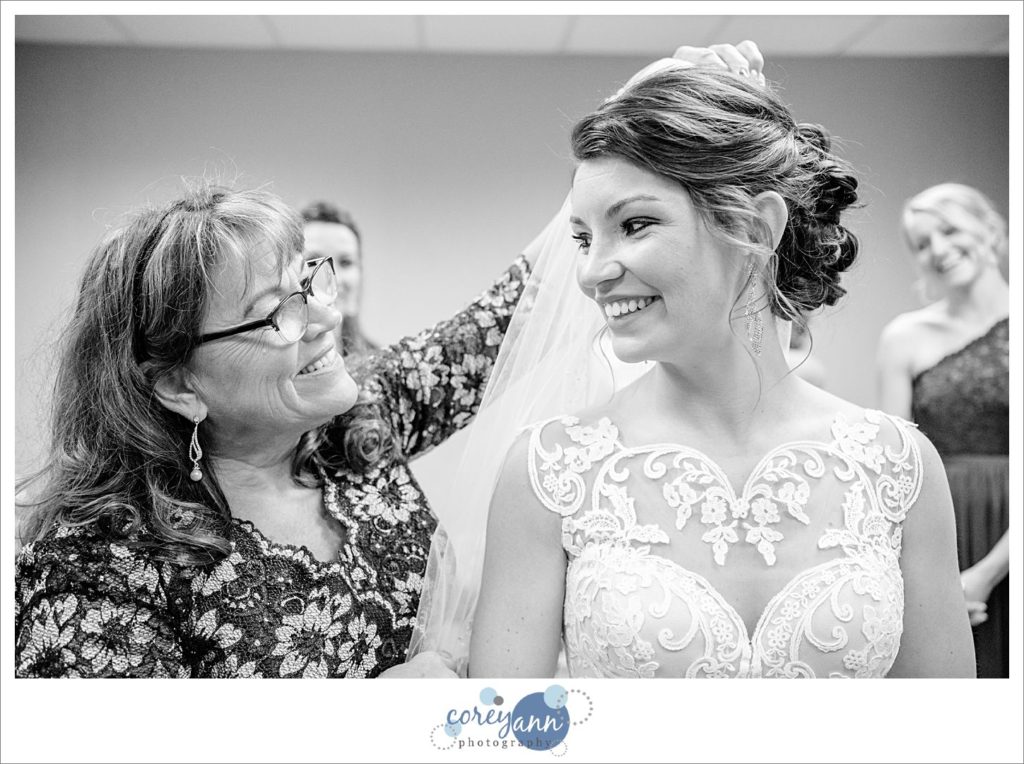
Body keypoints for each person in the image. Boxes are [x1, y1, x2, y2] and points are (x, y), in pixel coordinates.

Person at [14, 43, 760, 679]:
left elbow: (514, 312)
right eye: (276, 314)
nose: (324, 320)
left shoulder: (357, 420)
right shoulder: (97, 556)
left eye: (309, 283)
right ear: (178, 384)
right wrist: (375, 717)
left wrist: (632, 120)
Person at [463, 65, 976, 678]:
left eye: (633, 225)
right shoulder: (549, 472)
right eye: (583, 239)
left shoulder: (898, 466)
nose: (592, 272)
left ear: (754, 228)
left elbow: (947, 729)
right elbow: (506, 732)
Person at [876, 183, 1009, 678]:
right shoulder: (904, 338)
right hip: (940, 530)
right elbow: (892, 470)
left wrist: (983, 577)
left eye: (949, 230)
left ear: (989, 229)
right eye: (923, 243)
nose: (939, 249)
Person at [299, 200, 378, 363]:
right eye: (316, 261)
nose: (336, 279)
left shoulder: (380, 362)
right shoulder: (285, 370)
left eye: (346, 262)